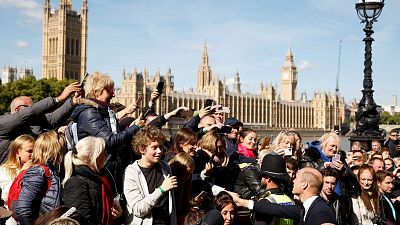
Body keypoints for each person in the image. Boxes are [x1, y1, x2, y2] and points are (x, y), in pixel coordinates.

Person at [69, 72, 143, 192]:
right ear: (96, 92)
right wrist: (135, 128)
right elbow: (109, 141)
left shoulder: (103, 112)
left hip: (108, 168)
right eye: (109, 90)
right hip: (96, 170)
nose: (114, 94)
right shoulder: (89, 113)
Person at [0, 82, 81, 163]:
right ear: (18, 109)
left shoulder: (31, 121)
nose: (36, 112)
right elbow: (30, 112)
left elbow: (52, 118)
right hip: (8, 171)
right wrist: (58, 99)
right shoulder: (3, 123)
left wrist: (72, 101)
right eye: (29, 108)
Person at [231, 167, 336, 225]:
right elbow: (276, 208)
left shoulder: (320, 211)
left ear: (304, 184)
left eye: (296, 178)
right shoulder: (308, 207)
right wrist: (241, 202)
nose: (292, 180)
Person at [123, 125, 177, 225]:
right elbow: (138, 209)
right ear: (142, 149)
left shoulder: (165, 168)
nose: (159, 151)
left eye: (160, 147)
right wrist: (161, 190)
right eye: (154, 148)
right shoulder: (132, 172)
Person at [62, 136, 122, 225]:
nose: (105, 156)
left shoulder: (101, 177)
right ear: (92, 157)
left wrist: (116, 214)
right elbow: (80, 220)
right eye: (102, 153)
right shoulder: (76, 183)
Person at [15, 130, 67, 225]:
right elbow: (22, 210)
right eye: (63, 147)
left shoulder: (55, 170)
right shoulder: (38, 172)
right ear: (55, 150)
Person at [0, 135, 35, 206]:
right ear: (17, 153)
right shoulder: (4, 170)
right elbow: (7, 196)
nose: (33, 155)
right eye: (30, 151)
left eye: (35, 151)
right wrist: (22, 173)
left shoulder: (37, 169)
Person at [168, 152, 195, 224]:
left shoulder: (186, 181)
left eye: (190, 174)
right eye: (186, 174)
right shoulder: (172, 180)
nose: (188, 177)